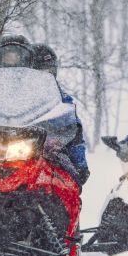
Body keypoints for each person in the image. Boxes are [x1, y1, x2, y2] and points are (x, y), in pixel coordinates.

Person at [32, 43, 89, 185]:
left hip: (51, 155)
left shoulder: (62, 99)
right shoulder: (18, 97)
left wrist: (80, 165)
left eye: (50, 70)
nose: (47, 75)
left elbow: (75, 133)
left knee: (67, 184)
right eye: (42, 71)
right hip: (16, 151)